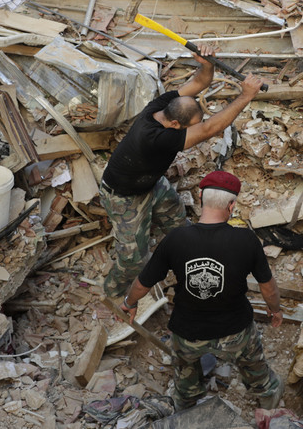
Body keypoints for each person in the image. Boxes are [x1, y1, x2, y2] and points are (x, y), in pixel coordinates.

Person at [100, 48, 265, 299]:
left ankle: (186, 250)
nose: (195, 129)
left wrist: (205, 64)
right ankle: (112, 293)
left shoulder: (160, 106)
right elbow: (211, 128)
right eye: (191, 127)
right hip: (124, 196)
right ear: (175, 125)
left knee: (177, 219)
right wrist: (245, 96)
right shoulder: (156, 138)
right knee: (133, 258)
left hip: (151, 183)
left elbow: (198, 82)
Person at [119, 171, 284, 410]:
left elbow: (143, 283)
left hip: (188, 334)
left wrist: (129, 303)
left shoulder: (176, 239)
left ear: (199, 198)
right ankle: (266, 394)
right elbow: (268, 287)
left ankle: (186, 400)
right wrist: (275, 310)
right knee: (254, 364)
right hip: (235, 331)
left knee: (185, 376)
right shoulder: (246, 240)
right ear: (232, 205)